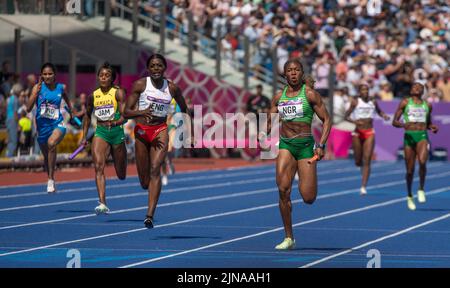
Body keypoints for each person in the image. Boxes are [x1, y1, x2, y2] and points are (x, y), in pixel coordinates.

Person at [258, 59, 331, 250]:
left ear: (301, 73)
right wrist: (264, 130)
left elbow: (327, 119)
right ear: (284, 74)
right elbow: (270, 119)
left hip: (306, 147)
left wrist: (321, 144)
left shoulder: (310, 95)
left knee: (308, 198)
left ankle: (308, 174)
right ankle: (289, 237)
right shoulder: (277, 97)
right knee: (283, 190)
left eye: (296, 70)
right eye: (289, 70)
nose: (293, 73)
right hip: (286, 145)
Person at [124, 54, 192, 228]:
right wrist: (141, 112)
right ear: (148, 69)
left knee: (156, 169)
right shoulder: (140, 85)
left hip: (160, 130)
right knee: (144, 181)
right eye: (153, 66)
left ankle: (149, 215)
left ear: (164, 68)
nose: (156, 69)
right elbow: (126, 112)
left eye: (159, 66)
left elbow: (184, 108)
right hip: (141, 131)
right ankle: (148, 186)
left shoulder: (172, 88)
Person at [81, 62, 128, 214]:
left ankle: (120, 164)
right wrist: (84, 136)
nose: (103, 77)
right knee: (98, 166)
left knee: (121, 174)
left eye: (107, 75)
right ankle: (102, 202)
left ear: (112, 78)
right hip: (101, 132)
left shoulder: (118, 93)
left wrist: (115, 122)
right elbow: (87, 116)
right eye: (101, 75)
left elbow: (125, 116)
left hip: (116, 132)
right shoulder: (93, 96)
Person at [26, 63, 74, 193]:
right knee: (47, 158)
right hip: (42, 128)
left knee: (51, 143)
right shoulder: (37, 87)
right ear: (41, 75)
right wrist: (35, 94)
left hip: (58, 124)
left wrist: (71, 109)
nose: (47, 76)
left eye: (50, 74)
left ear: (54, 75)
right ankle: (51, 176)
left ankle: (51, 179)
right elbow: (28, 108)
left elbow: (66, 98)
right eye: (45, 74)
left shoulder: (60, 88)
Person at [392, 82, 439, 210]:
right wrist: (402, 125)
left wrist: (432, 127)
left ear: (422, 91)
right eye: (414, 86)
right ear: (411, 90)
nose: (416, 88)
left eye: (419, 87)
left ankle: (421, 189)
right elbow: (394, 122)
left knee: (423, 162)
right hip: (409, 136)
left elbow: (428, 123)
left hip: (422, 136)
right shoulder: (405, 102)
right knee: (410, 170)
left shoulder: (427, 105)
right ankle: (409, 195)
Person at [344, 84, 390, 195]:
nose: (365, 92)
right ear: (359, 92)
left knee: (367, 159)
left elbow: (379, 111)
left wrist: (384, 115)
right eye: (363, 90)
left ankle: (363, 186)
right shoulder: (355, 102)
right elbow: (346, 116)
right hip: (357, 132)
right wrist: (355, 122)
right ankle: (359, 164)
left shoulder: (373, 101)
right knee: (358, 160)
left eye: (367, 90)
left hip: (369, 132)